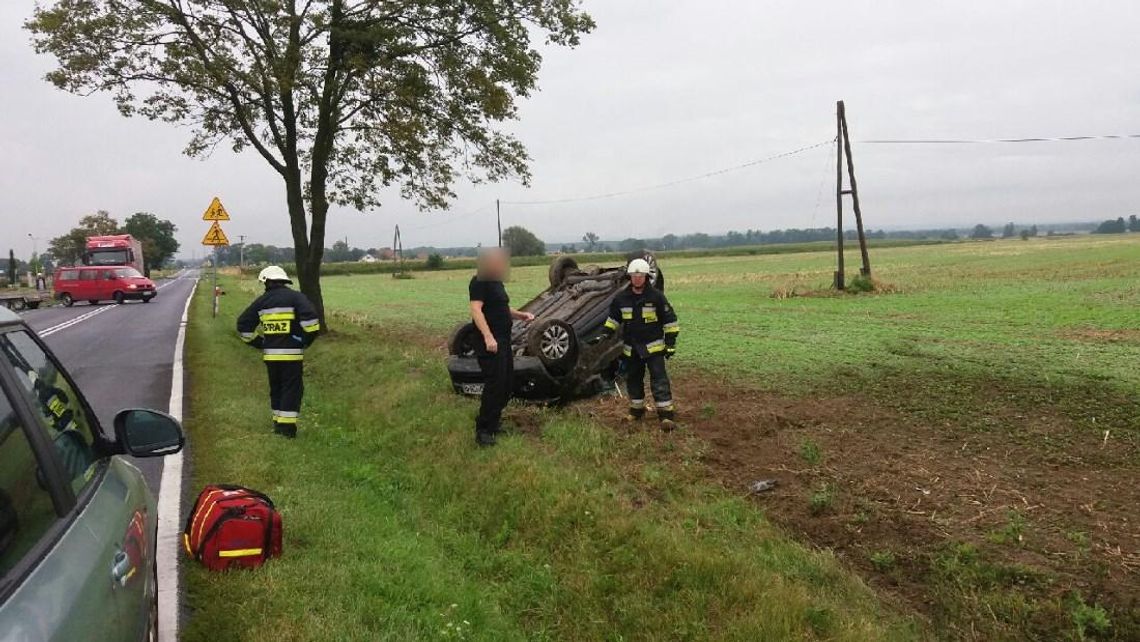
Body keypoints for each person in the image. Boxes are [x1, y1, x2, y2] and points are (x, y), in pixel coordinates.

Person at [595, 259, 680, 430]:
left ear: (646, 277)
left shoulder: (656, 297)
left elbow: (670, 321)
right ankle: (636, 411)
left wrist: (670, 344)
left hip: (653, 348)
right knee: (633, 380)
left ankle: (665, 416)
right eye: (634, 275)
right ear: (630, 277)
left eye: (640, 275)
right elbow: (614, 319)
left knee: (659, 380)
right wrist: (605, 333)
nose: (637, 279)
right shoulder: (621, 298)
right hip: (631, 349)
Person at [236, 266, 320, 438]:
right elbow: (312, 322)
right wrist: (304, 341)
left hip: (271, 356)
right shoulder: (296, 298)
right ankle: (287, 429)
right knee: (292, 389)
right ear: (284, 281)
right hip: (292, 355)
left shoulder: (261, 302)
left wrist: (261, 343)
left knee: (277, 388)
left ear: (266, 282)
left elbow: (243, 326)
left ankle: (277, 422)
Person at [468, 248, 534, 447]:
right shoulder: (479, 282)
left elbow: (501, 307)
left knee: (505, 383)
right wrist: (488, 337)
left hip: (503, 340)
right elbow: (476, 310)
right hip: (490, 343)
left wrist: (520, 315)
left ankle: (494, 423)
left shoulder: (496, 283)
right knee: (495, 384)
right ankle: (483, 430)